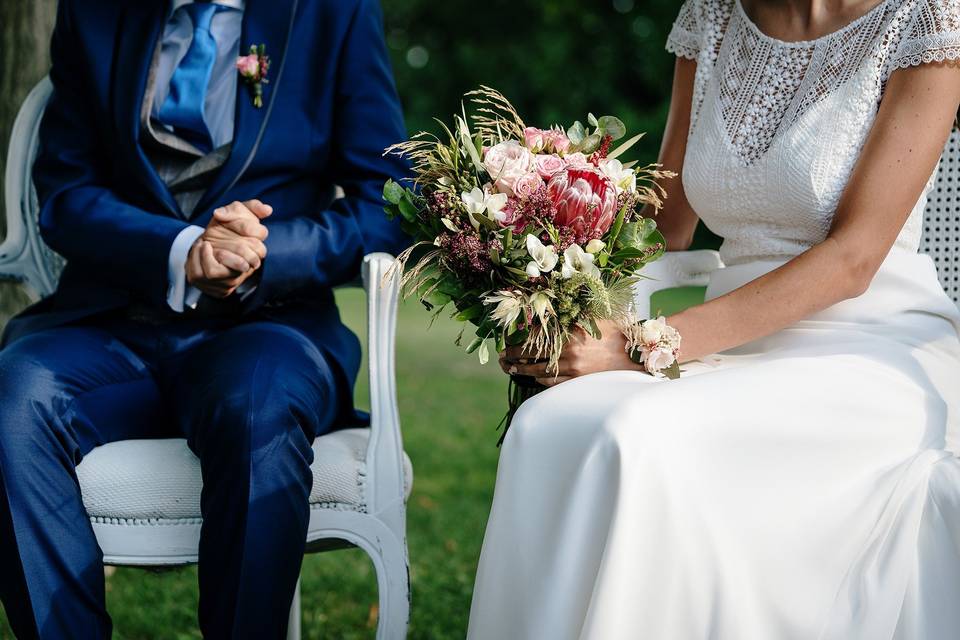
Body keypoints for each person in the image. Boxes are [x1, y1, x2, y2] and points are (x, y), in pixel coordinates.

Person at [468, 0, 960, 638]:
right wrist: (554, 283)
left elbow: (853, 259)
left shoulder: (927, 20)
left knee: (634, 431)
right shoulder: (712, 16)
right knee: (545, 423)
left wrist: (643, 345)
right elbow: (666, 222)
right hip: (734, 345)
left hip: (870, 346)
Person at [0, 0, 408, 638]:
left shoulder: (334, 13)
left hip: (269, 329)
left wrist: (264, 254)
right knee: (11, 395)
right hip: (111, 327)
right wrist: (180, 249)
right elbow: (65, 194)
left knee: (258, 404)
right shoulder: (93, 13)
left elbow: (386, 203)